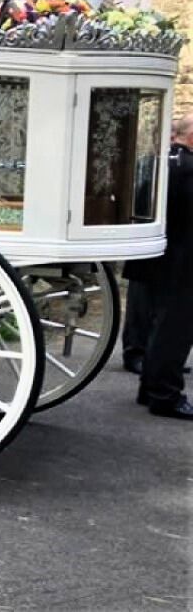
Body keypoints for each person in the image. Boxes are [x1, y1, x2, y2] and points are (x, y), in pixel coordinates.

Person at [131, 113, 193, 419]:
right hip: (181, 263)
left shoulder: (164, 162)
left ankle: (150, 387)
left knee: (160, 329)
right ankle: (165, 395)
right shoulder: (186, 168)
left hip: (159, 257)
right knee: (174, 332)